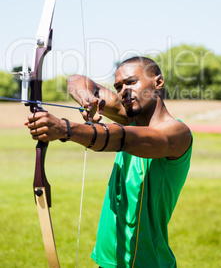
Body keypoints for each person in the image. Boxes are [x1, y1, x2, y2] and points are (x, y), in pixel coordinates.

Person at [25, 56, 193, 267]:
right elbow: (76, 80)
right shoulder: (129, 117)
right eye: (118, 86)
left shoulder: (177, 133)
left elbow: (123, 138)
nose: (124, 91)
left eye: (132, 82)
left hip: (147, 262)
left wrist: (66, 129)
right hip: (107, 260)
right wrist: (87, 98)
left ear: (158, 83)